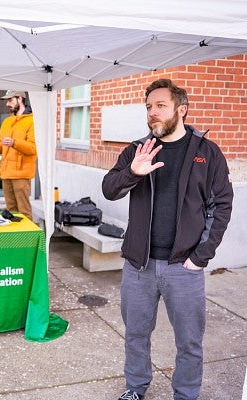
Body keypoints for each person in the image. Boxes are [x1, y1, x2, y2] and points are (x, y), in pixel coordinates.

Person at [102, 79, 233, 400]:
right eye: (148, 107)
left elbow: (222, 205)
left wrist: (200, 257)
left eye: (160, 105)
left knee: (189, 340)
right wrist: (133, 172)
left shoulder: (206, 152)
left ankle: (186, 394)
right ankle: (135, 387)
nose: (152, 113)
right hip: (139, 265)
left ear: (181, 109)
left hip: (183, 267)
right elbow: (109, 189)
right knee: (135, 334)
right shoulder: (137, 149)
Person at [0, 90, 36, 220]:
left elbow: (33, 148)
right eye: (7, 101)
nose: (7, 104)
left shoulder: (32, 121)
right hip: (6, 173)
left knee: (24, 211)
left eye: (10, 100)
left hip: (21, 174)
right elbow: (1, 145)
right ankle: (15, 239)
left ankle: (28, 239)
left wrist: (14, 143)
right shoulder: (7, 121)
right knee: (11, 211)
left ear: (20, 99)